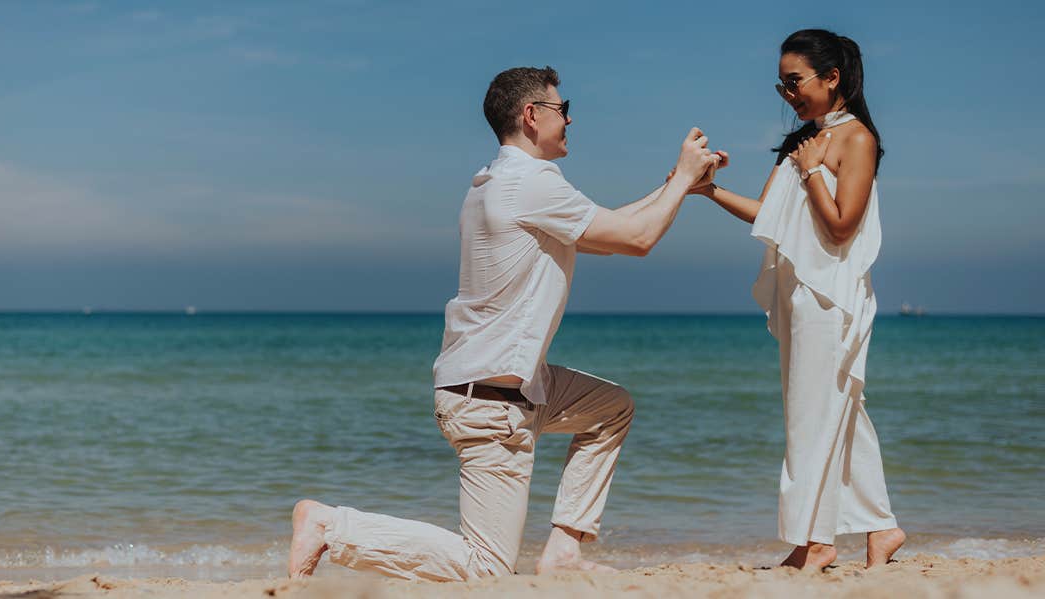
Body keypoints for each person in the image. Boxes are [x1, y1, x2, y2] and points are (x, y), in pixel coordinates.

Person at [287, 66, 722, 581]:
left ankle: (564, 550)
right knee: (487, 570)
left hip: (513, 386)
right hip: (492, 404)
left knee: (611, 409)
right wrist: (683, 176)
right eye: (564, 110)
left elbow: (609, 229)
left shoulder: (499, 179)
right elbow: (636, 239)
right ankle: (331, 527)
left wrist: (678, 186)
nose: (571, 121)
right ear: (531, 115)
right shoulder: (531, 184)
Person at [693, 29, 906, 570]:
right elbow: (768, 214)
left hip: (829, 296)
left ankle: (815, 540)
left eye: (795, 82)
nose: (788, 96)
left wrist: (812, 169)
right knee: (841, 414)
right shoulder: (801, 141)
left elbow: (840, 227)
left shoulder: (855, 139)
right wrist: (707, 189)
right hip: (798, 292)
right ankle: (881, 530)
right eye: (781, 86)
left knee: (809, 417)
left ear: (831, 77)